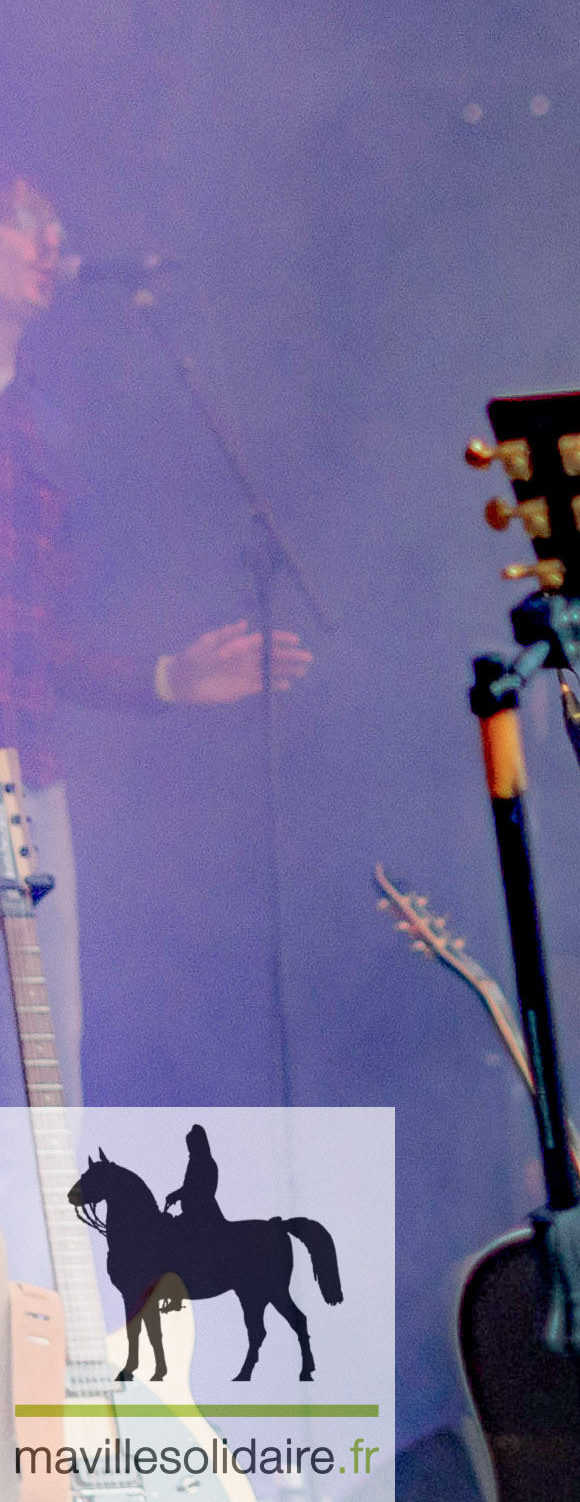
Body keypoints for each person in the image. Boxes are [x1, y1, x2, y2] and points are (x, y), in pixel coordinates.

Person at [0, 176, 312, 1108]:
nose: (54, 241)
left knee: (50, 1073)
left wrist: (167, 679)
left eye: (60, 220)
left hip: (24, 773)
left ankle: (42, 1256)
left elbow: (31, 637)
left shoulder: (35, 427)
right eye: (24, 219)